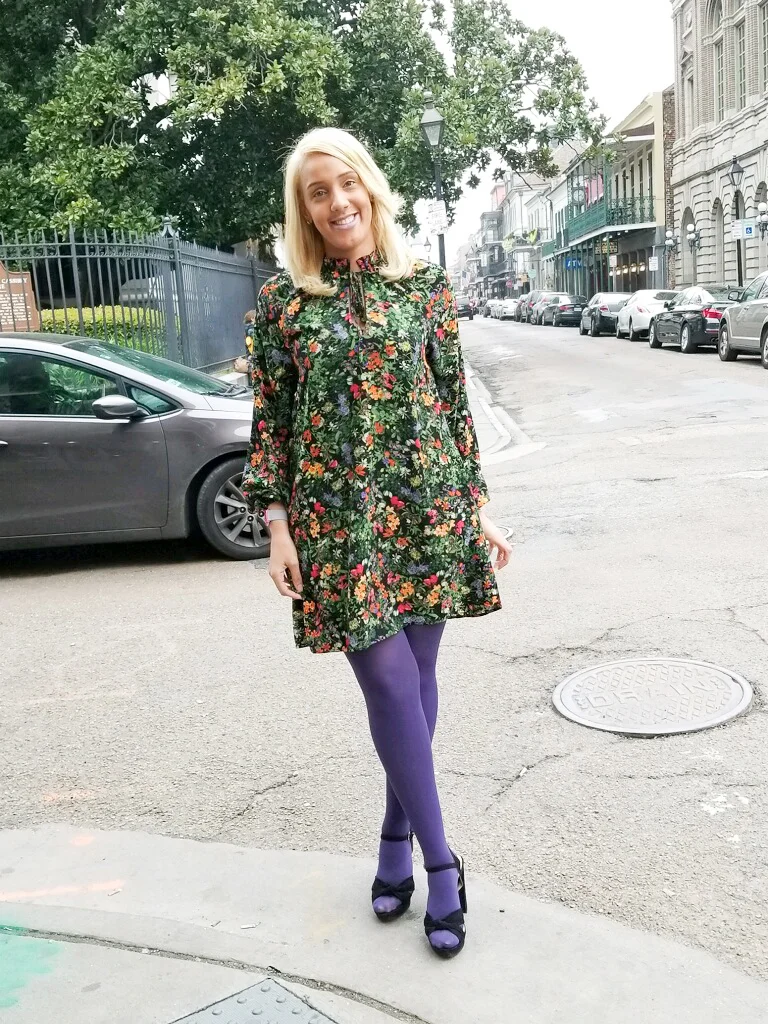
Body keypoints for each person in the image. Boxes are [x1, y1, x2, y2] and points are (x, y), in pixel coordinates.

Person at [242, 126, 512, 960]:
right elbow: (272, 423)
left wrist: (476, 506)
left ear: (369, 188)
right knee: (392, 685)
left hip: (427, 508)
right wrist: (277, 527)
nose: (337, 202)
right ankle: (442, 864)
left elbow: (451, 404)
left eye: (345, 184)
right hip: (339, 524)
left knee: (417, 684)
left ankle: (395, 838)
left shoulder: (424, 286)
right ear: (304, 210)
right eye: (317, 192)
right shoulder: (283, 304)